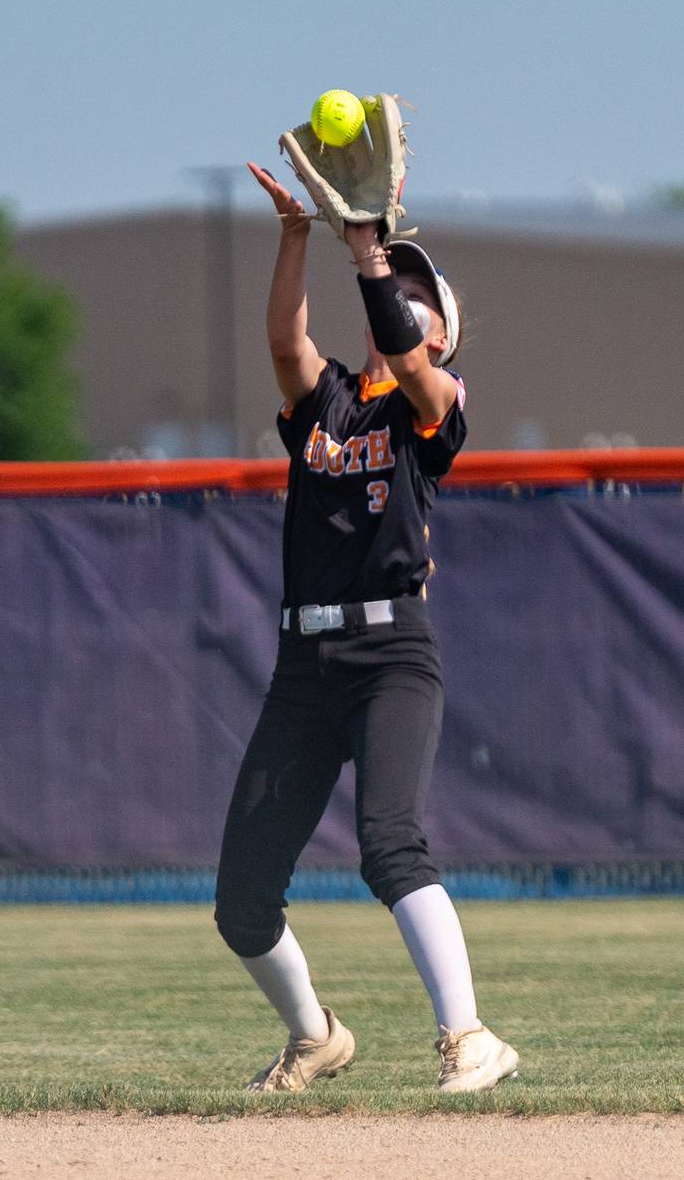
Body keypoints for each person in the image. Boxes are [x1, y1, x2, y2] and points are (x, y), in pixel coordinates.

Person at [214, 160, 519, 1094]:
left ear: (441, 334)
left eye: (420, 296)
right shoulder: (331, 401)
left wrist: (372, 260)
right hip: (303, 660)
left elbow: (416, 363)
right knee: (241, 898)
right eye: (400, 288)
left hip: (392, 655)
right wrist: (298, 237)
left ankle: (469, 1036)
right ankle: (316, 1036)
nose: (402, 300)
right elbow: (281, 341)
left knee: (389, 844)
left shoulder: (438, 409)